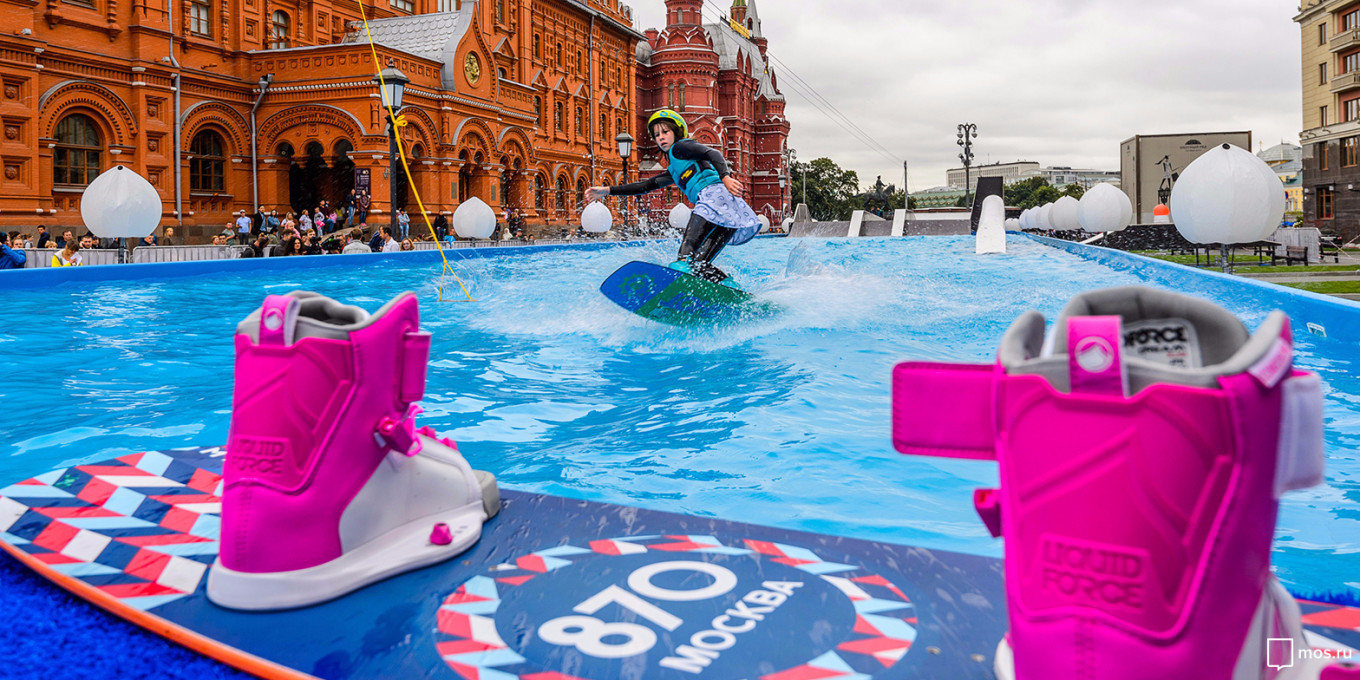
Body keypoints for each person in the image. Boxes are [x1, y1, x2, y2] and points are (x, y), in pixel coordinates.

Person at [584, 109, 759, 283]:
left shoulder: (680, 147)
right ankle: (727, 285)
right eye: (657, 134)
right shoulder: (675, 169)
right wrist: (607, 190)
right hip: (728, 211)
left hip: (714, 198)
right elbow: (645, 186)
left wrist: (725, 177)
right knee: (700, 263)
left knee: (686, 254)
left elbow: (712, 153)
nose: (661, 137)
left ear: (676, 132)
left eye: (665, 132)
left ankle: (677, 276)